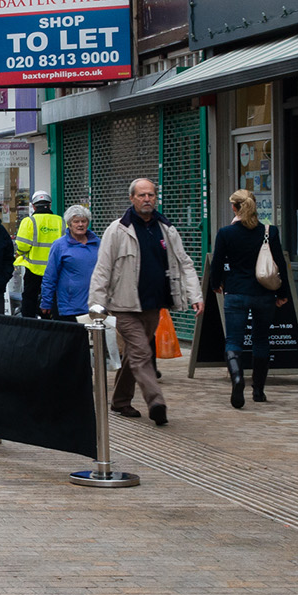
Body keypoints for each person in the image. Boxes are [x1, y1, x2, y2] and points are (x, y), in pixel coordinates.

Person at [88, 176, 202, 425]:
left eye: (150, 194)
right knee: (142, 352)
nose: (147, 199)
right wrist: (96, 306)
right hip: (123, 305)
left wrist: (195, 295)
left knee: (133, 354)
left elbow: (184, 264)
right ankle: (156, 401)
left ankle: (119, 401)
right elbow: (103, 268)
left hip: (153, 305)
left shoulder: (166, 228)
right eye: (142, 195)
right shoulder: (118, 229)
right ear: (132, 198)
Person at [204, 189, 291, 409]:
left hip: (236, 293)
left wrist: (215, 284)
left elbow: (216, 265)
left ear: (234, 208)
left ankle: (237, 378)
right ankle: (259, 391)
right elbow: (281, 264)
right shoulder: (270, 232)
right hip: (264, 294)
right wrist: (283, 294)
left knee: (233, 340)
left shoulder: (225, 233)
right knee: (261, 340)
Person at [37, 206, 97, 320]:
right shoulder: (59, 245)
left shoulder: (97, 243)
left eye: (83, 221)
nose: (80, 225)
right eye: (76, 221)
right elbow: (50, 276)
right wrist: (46, 302)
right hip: (68, 308)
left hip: (93, 307)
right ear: (69, 224)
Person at [13, 190, 62, 318]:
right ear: (49, 205)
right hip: (55, 270)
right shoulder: (60, 221)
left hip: (33, 269)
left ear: (33, 206)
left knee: (29, 297)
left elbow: (22, 246)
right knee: (52, 298)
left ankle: (29, 325)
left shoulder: (29, 221)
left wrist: (19, 254)